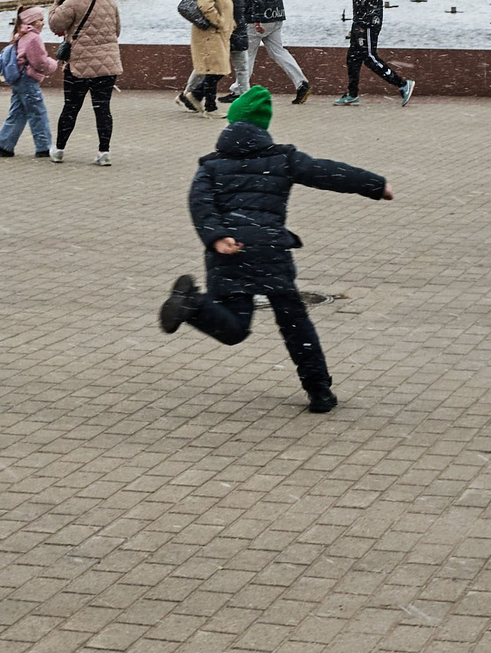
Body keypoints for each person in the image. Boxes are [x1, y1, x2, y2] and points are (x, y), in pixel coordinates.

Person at [157, 86, 393, 413]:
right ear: (263, 126)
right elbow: (326, 172)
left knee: (235, 329)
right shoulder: (282, 158)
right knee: (296, 325)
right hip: (269, 252)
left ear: (231, 123)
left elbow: (200, 205)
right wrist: (374, 185)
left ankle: (193, 305)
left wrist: (217, 237)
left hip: (228, 255)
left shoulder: (211, 166)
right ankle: (319, 390)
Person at [48, 0, 122, 164]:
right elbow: (117, 30)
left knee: (71, 107)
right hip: (108, 66)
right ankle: (104, 153)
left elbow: (55, 23)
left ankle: (59, 150)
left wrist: (56, 3)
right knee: (103, 108)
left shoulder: (73, 0)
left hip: (79, 65)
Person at [230, 0, 308, 101]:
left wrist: (257, 17)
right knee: (278, 51)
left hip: (258, 20)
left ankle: (240, 90)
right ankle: (301, 82)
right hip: (276, 16)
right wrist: (272, 3)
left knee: (247, 54)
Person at [334, 0, 413, 107]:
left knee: (369, 57)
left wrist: (363, 23)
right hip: (359, 22)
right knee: (353, 57)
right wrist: (357, 22)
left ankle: (403, 84)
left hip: (368, 24)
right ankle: (352, 94)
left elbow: (372, 2)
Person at [0, 5, 60, 158]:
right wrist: (54, 64)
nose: (42, 23)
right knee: (38, 113)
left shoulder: (20, 35)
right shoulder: (33, 38)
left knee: (18, 112)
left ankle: (3, 144)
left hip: (18, 79)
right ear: (32, 21)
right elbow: (39, 62)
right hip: (28, 79)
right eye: (40, 20)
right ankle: (44, 147)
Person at [176, 0, 234, 115]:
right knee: (215, 71)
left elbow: (224, 6)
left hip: (217, 33)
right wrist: (219, 21)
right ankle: (209, 106)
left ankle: (197, 97)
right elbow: (205, 6)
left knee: (216, 70)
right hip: (211, 34)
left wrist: (230, 22)